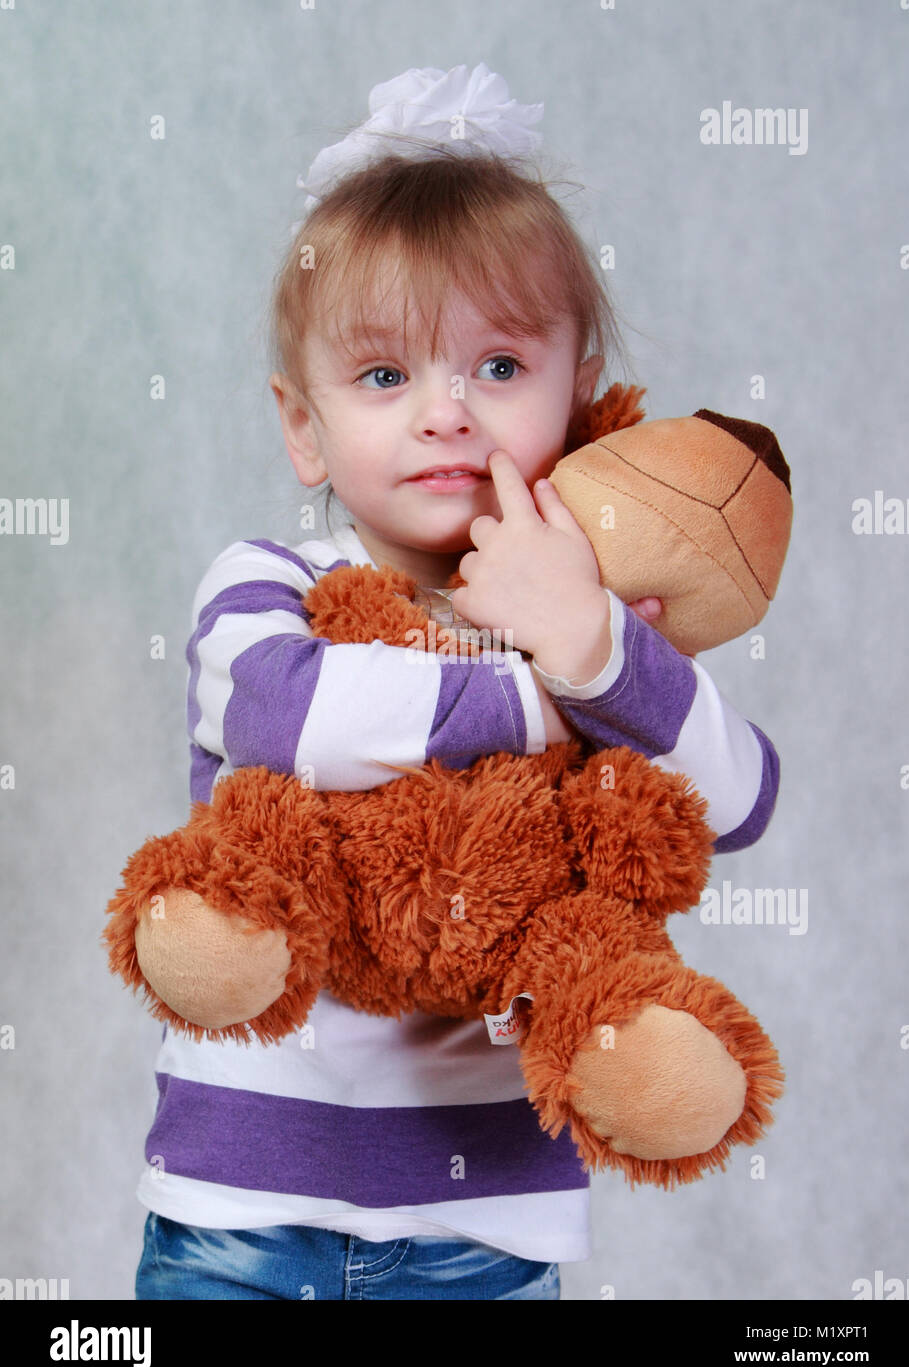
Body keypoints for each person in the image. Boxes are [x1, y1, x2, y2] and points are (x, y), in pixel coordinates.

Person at [134, 65, 779, 1301]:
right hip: (242, 1212)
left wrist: (596, 646)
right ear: (304, 428)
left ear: (578, 391)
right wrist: (548, 696)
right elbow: (294, 716)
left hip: (484, 1234)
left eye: (496, 366)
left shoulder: (597, 630)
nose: (445, 414)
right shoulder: (264, 583)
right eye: (385, 377)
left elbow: (739, 799)